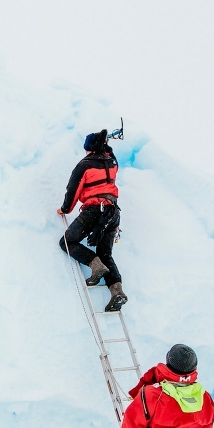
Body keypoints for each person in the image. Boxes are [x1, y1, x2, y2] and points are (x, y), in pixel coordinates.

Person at [57, 129, 127, 312]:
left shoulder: (84, 165)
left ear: (89, 148)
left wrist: (65, 209)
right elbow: (109, 156)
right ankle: (117, 292)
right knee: (106, 254)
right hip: (113, 214)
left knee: (67, 241)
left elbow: (73, 191)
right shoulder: (112, 162)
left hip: (94, 211)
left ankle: (95, 266)